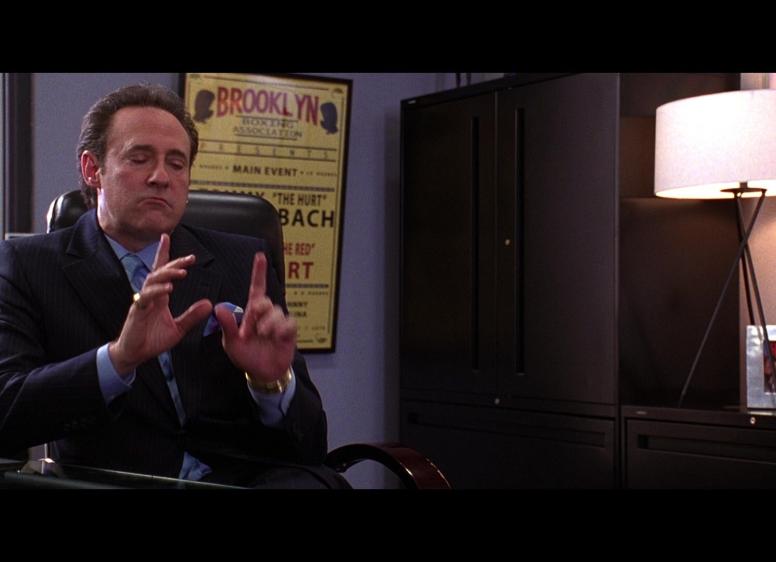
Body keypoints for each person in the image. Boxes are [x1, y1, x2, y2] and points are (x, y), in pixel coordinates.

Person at [0, 84, 347, 488]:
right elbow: (6, 414)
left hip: (243, 480)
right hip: (117, 480)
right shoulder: (28, 265)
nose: (161, 177)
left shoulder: (243, 261)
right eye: (139, 158)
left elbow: (312, 446)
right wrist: (118, 360)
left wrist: (270, 383)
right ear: (93, 169)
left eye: (177, 163)